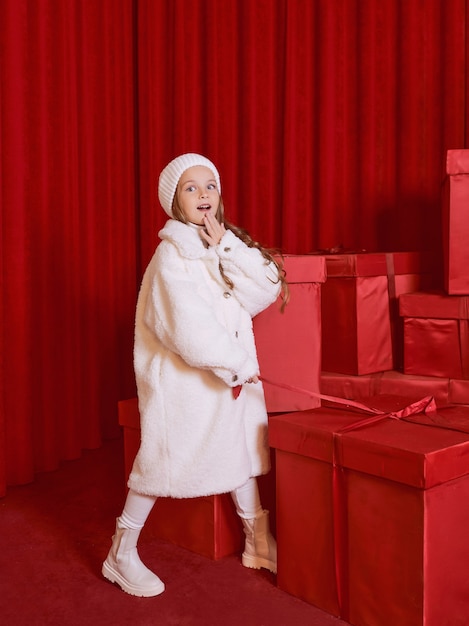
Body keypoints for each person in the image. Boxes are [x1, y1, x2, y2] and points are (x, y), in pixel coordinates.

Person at [102, 153, 289, 597]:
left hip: (226, 381)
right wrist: (240, 366)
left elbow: (266, 289)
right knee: (159, 466)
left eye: (210, 186)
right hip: (186, 384)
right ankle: (121, 552)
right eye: (191, 188)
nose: (203, 194)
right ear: (174, 202)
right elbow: (188, 328)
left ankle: (257, 541)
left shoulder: (213, 247)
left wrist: (228, 244)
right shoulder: (172, 256)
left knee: (240, 449)